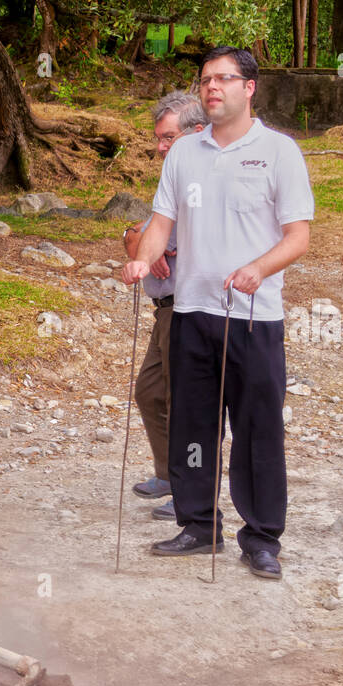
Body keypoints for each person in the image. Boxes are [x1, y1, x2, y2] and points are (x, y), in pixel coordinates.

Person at [124, 46, 314, 579]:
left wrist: (259, 267)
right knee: (192, 425)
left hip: (254, 316)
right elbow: (161, 221)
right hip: (190, 311)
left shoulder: (279, 152)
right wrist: (142, 261)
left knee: (256, 428)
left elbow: (297, 236)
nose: (212, 87)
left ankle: (261, 538)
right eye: (206, 79)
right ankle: (197, 524)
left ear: (249, 87)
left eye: (224, 79)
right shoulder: (184, 154)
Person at [122, 91, 205, 523]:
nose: (159, 147)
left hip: (190, 309)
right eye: (158, 138)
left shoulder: (204, 179)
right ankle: (169, 476)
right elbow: (133, 235)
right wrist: (140, 244)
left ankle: (190, 491)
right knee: (150, 392)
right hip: (164, 307)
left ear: (196, 132)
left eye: (167, 138)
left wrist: (145, 241)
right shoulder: (171, 178)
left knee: (184, 403)